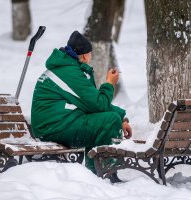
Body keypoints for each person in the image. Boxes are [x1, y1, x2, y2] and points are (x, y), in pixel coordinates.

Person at [31, 31, 132, 182]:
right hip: (52, 127)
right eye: (90, 54)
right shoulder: (68, 73)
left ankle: (96, 174)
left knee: (109, 119)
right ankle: (106, 174)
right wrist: (109, 84)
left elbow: (90, 105)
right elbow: (98, 104)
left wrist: (122, 117)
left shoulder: (69, 68)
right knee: (109, 120)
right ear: (85, 55)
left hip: (60, 122)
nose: (90, 57)